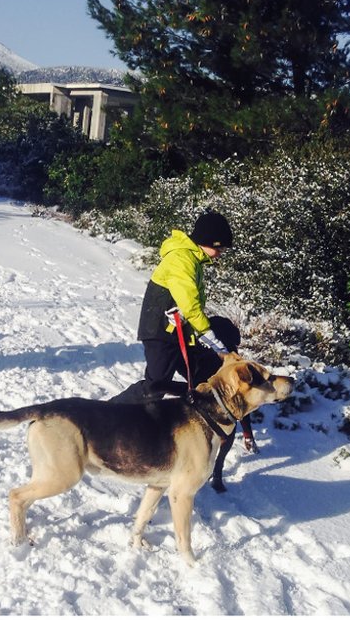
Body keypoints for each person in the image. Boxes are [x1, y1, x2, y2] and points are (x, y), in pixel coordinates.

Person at [110, 210, 255, 491]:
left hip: (179, 336)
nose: (220, 253)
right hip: (158, 334)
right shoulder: (181, 259)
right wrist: (219, 346)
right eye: (218, 247)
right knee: (156, 385)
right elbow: (191, 308)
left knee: (203, 380)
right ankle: (110, 413)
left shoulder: (194, 259)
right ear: (205, 241)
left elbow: (190, 309)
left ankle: (198, 430)